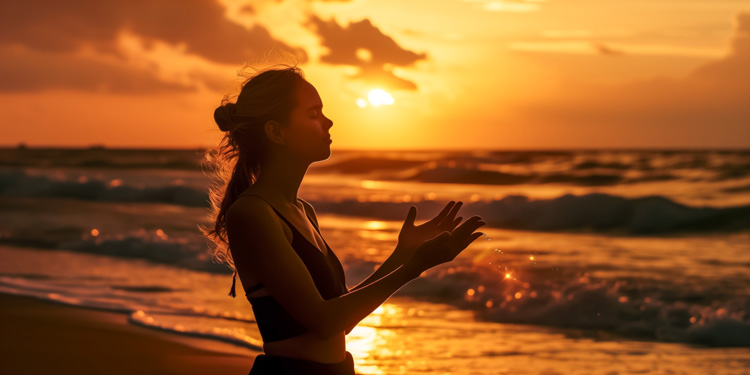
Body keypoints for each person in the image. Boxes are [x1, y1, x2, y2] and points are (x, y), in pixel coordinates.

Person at [203, 64, 485, 375]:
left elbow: (342, 316)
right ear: (276, 132)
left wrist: (402, 255)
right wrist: (414, 267)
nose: (328, 121)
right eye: (313, 114)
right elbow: (324, 321)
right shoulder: (253, 212)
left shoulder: (301, 210)